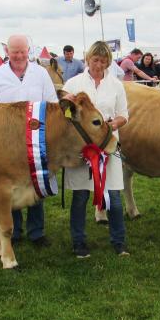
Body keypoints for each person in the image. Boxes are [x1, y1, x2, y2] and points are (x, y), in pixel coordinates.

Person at [0, 34, 58, 247]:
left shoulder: (40, 73)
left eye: (23, 51)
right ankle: (13, 231)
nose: (19, 56)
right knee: (9, 187)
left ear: (28, 51)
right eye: (15, 52)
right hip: (5, 143)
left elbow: (53, 104)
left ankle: (37, 232)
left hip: (36, 141)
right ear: (7, 52)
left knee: (36, 185)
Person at [62, 40, 130, 257]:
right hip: (83, 149)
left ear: (109, 62)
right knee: (81, 196)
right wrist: (66, 100)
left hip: (108, 147)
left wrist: (112, 125)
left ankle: (119, 242)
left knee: (114, 198)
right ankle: (79, 242)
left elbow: (124, 115)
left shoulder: (117, 85)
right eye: (95, 60)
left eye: (103, 61)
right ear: (88, 59)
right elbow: (63, 113)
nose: (98, 65)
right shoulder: (73, 83)